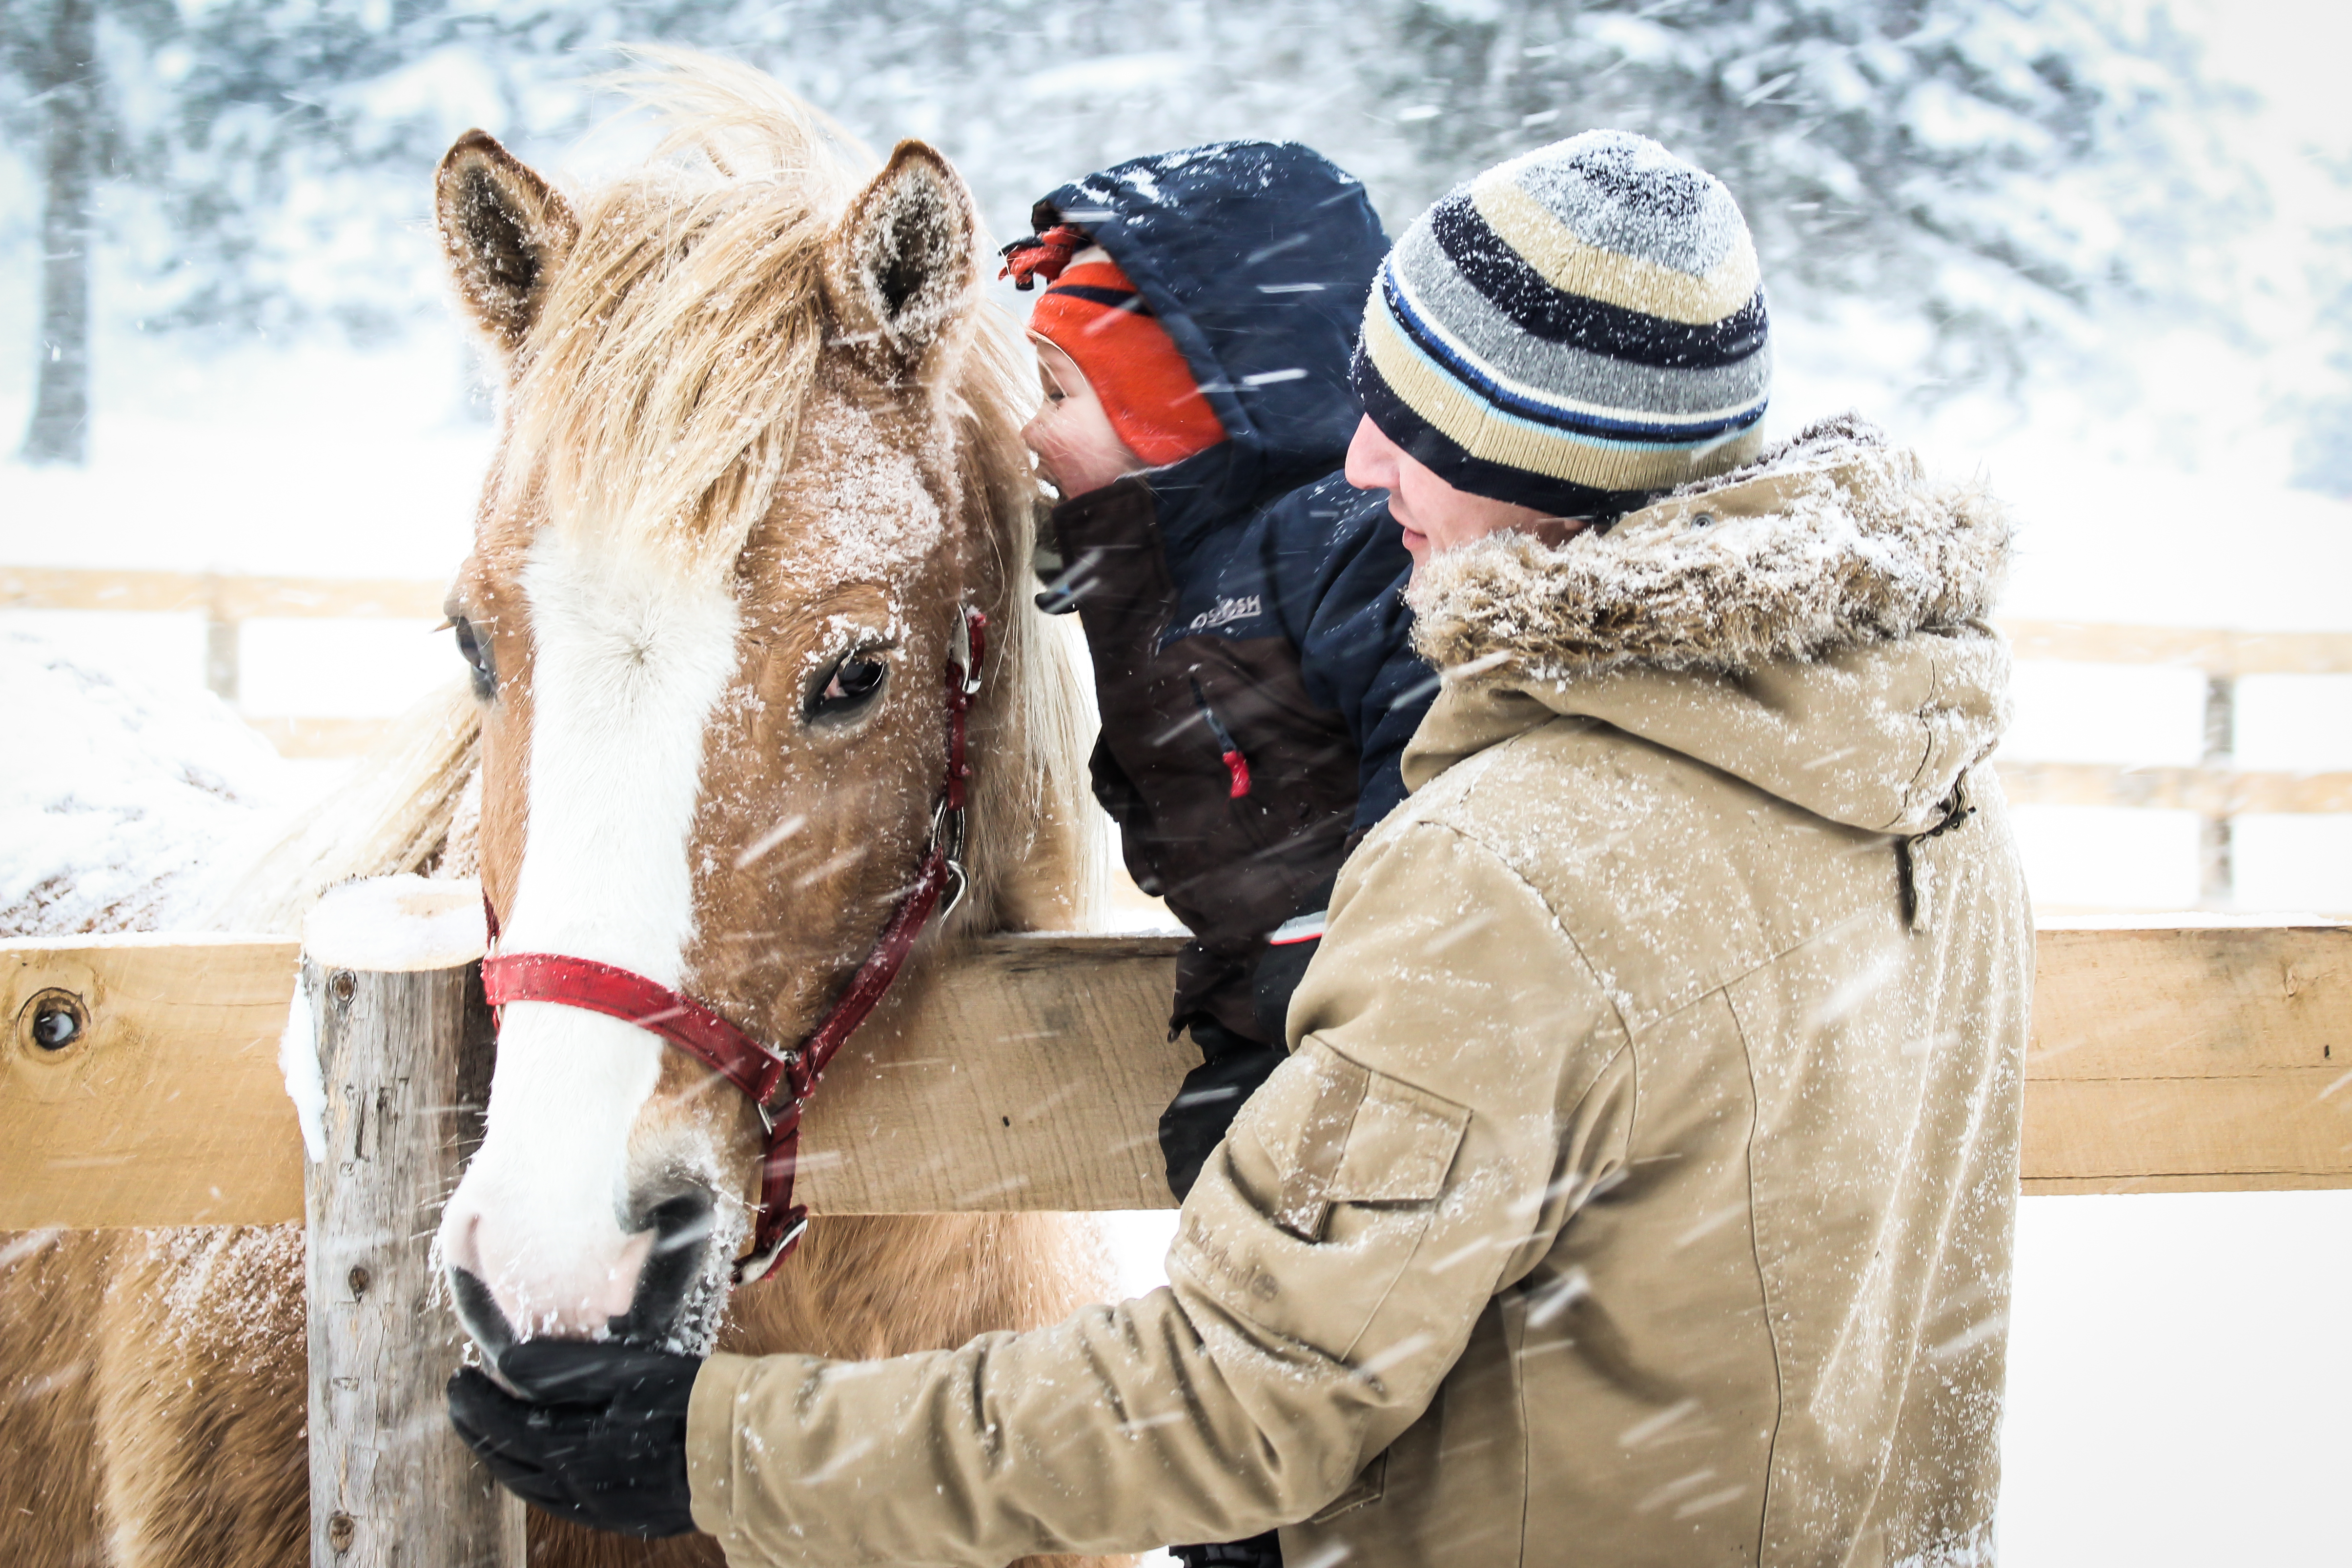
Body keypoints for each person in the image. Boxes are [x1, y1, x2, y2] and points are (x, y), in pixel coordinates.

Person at [451, 131, 2034, 1568]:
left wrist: (711, 1449)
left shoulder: (1509, 870)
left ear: (1546, 461)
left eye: (1411, 430)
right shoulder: (1933, 797)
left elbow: (1241, 1407)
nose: (1355, 470)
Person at [1003, 142, 1431, 1209]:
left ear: (1170, 408)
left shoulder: (1341, 540)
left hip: (1391, 1058)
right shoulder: (1149, 580)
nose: (1028, 429)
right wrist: (1239, 1022)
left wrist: (1322, 952)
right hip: (1296, 1051)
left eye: (1059, 390)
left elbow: (1432, 738)